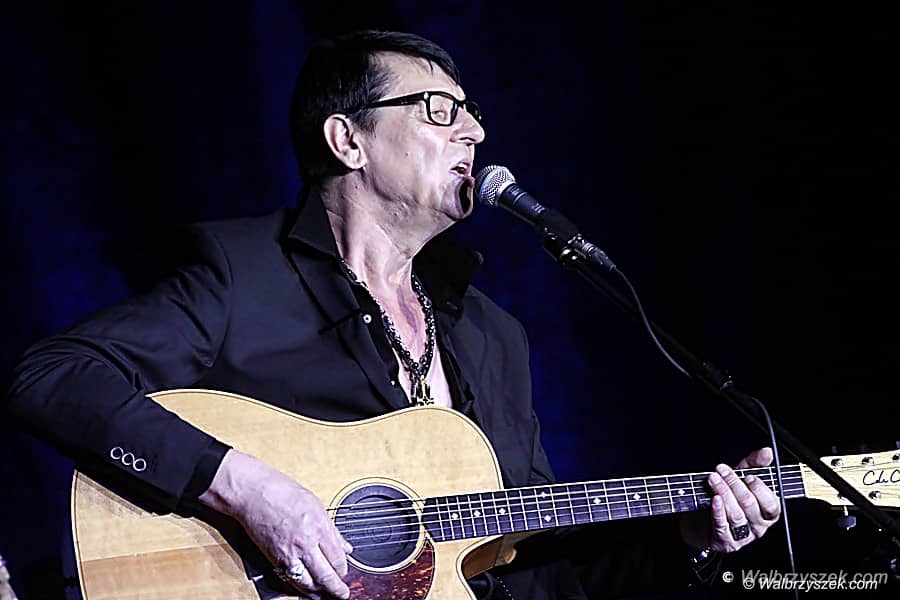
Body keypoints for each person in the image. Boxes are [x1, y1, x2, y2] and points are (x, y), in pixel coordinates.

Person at [6, 30, 780, 599]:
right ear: (348, 140)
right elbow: (53, 377)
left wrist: (691, 533)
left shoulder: (490, 337)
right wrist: (243, 487)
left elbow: (536, 573)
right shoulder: (246, 276)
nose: (475, 132)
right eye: (440, 110)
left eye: (472, 113)